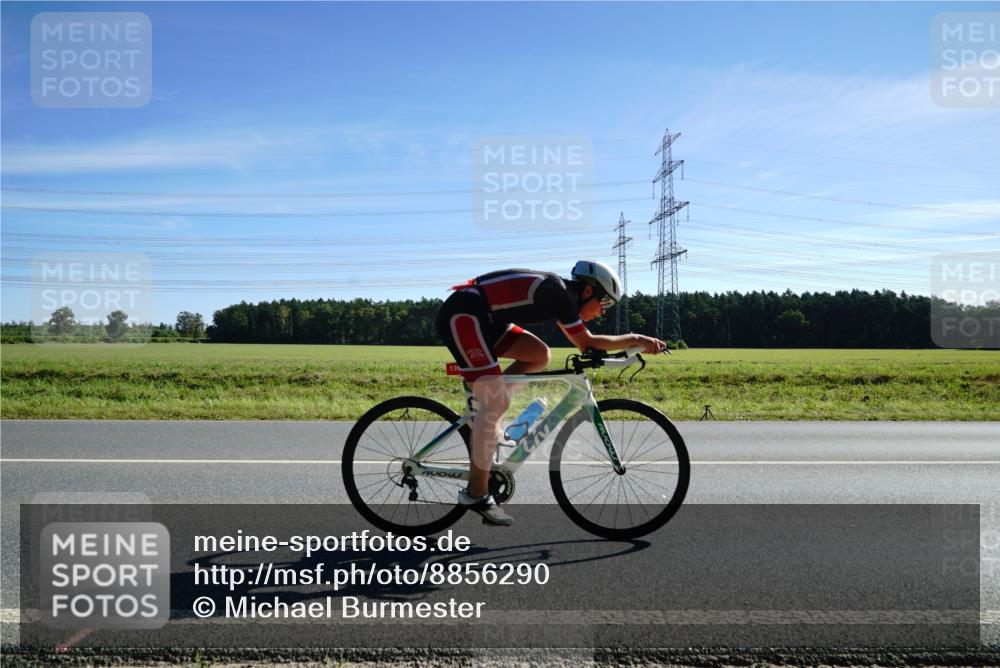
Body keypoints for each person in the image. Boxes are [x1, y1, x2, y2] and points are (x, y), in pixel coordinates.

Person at [435, 260, 667, 526]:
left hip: (486, 319)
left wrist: (628, 345)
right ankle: (476, 493)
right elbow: (588, 342)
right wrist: (636, 338)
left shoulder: (562, 295)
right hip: (464, 314)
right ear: (589, 291)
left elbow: (589, 344)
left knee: (539, 355)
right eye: (604, 304)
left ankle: (488, 419)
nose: (602, 312)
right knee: (496, 400)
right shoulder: (557, 293)